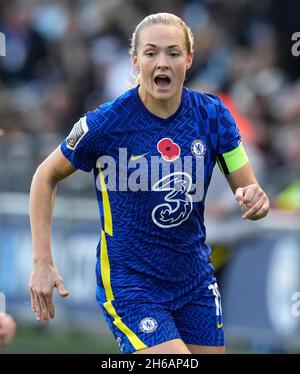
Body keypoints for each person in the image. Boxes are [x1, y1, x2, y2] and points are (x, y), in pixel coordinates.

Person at [29, 13, 269, 354]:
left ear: (189, 59)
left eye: (173, 53)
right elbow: (45, 176)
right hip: (131, 284)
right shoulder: (106, 123)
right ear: (135, 60)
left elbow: (250, 195)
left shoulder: (212, 115)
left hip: (194, 280)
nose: (162, 62)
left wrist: (256, 201)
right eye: (151, 52)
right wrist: (42, 260)